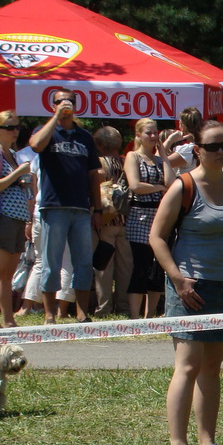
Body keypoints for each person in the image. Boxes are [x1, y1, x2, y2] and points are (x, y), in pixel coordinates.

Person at [148, 121, 223, 445]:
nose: (222, 152)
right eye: (213, 146)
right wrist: (178, 280)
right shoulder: (183, 185)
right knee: (188, 365)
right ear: (198, 151)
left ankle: (208, 444)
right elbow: (157, 237)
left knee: (212, 366)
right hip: (189, 286)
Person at [28, 88, 102, 324]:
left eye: (69, 101)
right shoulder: (46, 131)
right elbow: (36, 146)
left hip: (81, 208)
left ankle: (81, 313)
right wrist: (55, 118)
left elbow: (93, 175)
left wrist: (98, 209)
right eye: (60, 101)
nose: (65, 104)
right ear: (53, 105)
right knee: (51, 262)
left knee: (83, 262)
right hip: (53, 207)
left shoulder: (84, 137)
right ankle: (50, 314)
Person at [0, 111, 32, 327]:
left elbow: (11, 184)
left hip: (18, 217)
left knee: (9, 273)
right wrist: (17, 174)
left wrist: (24, 180)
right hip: (2, 216)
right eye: (10, 127)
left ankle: (9, 319)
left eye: (17, 127)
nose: (15, 131)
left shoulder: (12, 153)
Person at [124, 117, 176, 319]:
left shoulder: (157, 160)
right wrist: (159, 187)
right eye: (149, 133)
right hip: (140, 216)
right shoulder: (133, 157)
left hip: (159, 215)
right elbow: (135, 185)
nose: (153, 136)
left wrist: (163, 153)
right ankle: (135, 315)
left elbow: (170, 181)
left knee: (157, 267)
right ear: (138, 135)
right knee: (141, 265)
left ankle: (150, 314)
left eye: (155, 132)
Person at [92, 125, 131, 317]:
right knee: (125, 268)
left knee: (104, 267)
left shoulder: (99, 165)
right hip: (126, 220)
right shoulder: (127, 162)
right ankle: (124, 307)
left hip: (106, 220)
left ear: (98, 144)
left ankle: (104, 308)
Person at [165, 107, 203, 174]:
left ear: (183, 126)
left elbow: (158, 163)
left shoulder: (187, 150)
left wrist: (169, 140)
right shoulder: (204, 143)